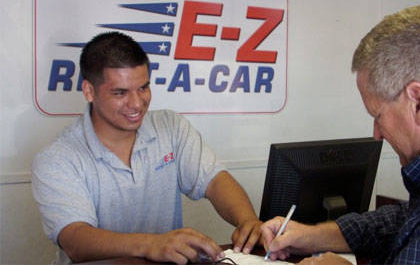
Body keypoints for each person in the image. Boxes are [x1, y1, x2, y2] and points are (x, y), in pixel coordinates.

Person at [32, 31, 262, 264]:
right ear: (89, 91)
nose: (136, 103)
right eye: (120, 92)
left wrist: (248, 221)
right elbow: (75, 239)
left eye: (143, 87)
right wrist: (151, 244)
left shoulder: (171, 127)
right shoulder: (57, 158)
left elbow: (214, 180)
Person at [261, 4, 420, 264]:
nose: (377, 134)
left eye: (378, 116)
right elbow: (402, 220)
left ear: (418, 103)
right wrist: (309, 236)